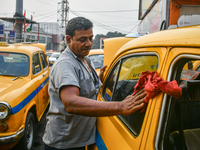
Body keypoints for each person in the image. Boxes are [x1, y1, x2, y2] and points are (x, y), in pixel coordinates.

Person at [42, 17, 146, 150]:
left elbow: (86, 89)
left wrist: (101, 81)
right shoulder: (66, 64)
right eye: (82, 39)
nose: (89, 43)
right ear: (68, 40)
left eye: (90, 38)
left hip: (79, 140)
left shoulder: (86, 60)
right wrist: (120, 106)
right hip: (64, 144)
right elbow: (71, 102)